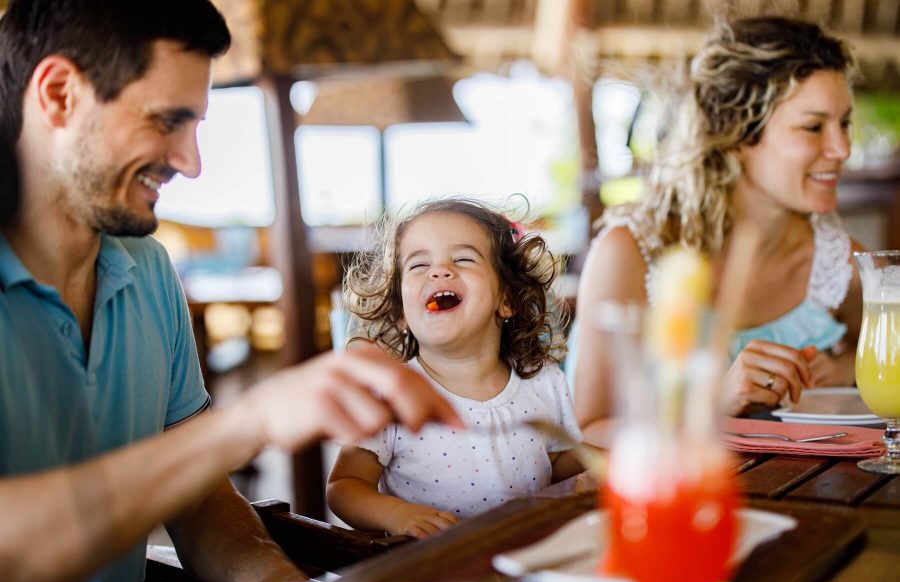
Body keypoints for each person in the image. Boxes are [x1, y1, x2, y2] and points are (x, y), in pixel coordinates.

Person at [0, 1, 461, 582]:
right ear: (59, 94)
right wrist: (251, 421)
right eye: (168, 121)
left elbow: (198, 498)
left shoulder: (147, 270)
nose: (191, 163)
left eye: (196, 126)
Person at [574, 16, 864, 445]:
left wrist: (844, 373)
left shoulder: (842, 268)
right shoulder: (632, 253)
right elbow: (590, 432)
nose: (842, 149)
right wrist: (711, 402)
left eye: (844, 124)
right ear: (738, 135)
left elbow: (880, 371)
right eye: (814, 127)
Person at [326, 198, 584, 539]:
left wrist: (614, 463)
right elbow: (344, 486)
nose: (439, 270)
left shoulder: (544, 382)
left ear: (506, 299)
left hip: (525, 555)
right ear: (402, 313)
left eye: (463, 258)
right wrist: (398, 515)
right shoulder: (393, 395)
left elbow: (557, 460)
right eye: (419, 265)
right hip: (432, 570)